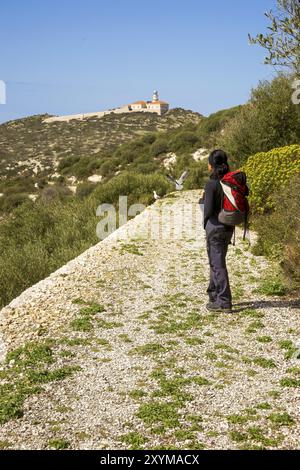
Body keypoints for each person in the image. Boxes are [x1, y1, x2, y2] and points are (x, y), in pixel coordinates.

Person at [199, 149, 234, 312]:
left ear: (211, 165)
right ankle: (213, 293)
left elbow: (208, 209)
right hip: (228, 227)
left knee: (218, 263)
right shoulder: (230, 181)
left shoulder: (211, 184)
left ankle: (224, 301)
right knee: (217, 260)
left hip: (215, 228)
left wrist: (202, 200)